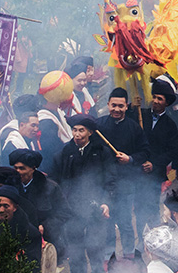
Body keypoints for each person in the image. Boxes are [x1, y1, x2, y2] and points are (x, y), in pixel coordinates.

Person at [59, 114, 115, 272]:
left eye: (81, 130)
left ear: (90, 132)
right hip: (73, 207)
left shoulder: (101, 152)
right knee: (75, 250)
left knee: (95, 248)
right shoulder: (67, 151)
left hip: (95, 206)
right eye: (74, 130)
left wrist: (106, 202)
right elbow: (62, 178)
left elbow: (110, 180)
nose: (77, 134)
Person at [97, 87, 149, 255]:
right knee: (106, 221)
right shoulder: (99, 126)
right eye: (113, 105)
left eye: (121, 106)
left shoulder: (134, 128)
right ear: (108, 105)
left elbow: (145, 152)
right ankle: (109, 255)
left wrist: (130, 159)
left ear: (127, 106)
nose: (117, 110)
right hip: (104, 182)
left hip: (126, 182)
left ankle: (129, 254)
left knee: (125, 221)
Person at [131, 77, 178, 234]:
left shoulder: (170, 125)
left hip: (154, 173)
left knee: (151, 206)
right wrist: (133, 106)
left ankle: (152, 236)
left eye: (160, 99)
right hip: (137, 170)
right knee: (137, 206)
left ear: (166, 102)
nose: (156, 101)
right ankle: (140, 236)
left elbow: (172, 151)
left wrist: (155, 163)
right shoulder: (140, 114)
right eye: (154, 97)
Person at [9, 148, 69, 258]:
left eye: (22, 168)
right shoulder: (10, 188)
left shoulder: (51, 188)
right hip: (17, 242)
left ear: (33, 169)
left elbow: (64, 212)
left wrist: (45, 226)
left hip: (47, 241)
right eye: (15, 168)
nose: (18, 172)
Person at [0, 185, 43, 272]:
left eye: (6, 206)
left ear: (15, 207)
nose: (1, 210)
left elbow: (33, 266)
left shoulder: (30, 234)